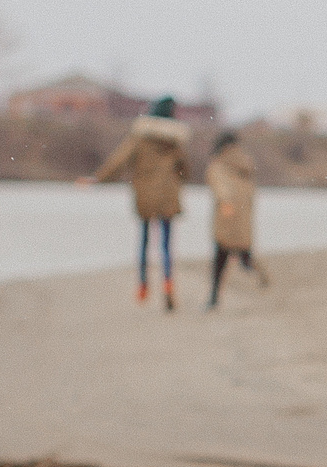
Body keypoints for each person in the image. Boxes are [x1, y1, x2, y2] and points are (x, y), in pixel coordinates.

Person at [93, 97, 191, 310]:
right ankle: (168, 283)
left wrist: (98, 179)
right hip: (167, 196)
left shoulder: (140, 137)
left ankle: (143, 285)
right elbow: (184, 170)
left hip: (146, 195)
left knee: (144, 242)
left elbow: (119, 160)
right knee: (166, 245)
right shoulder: (174, 142)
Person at [203, 130, 266, 308]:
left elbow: (219, 186)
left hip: (226, 216)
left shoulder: (218, 164)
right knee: (244, 254)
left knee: (220, 257)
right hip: (243, 218)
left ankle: (214, 297)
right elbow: (251, 192)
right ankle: (260, 276)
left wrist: (225, 201)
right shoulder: (244, 163)